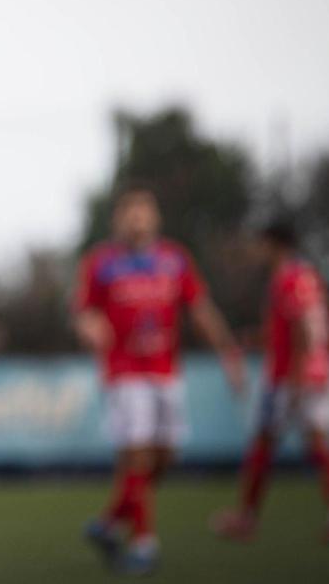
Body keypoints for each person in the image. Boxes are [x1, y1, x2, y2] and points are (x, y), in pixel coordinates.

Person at [73, 184, 245, 574]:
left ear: (155, 217)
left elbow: (199, 309)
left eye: (143, 210)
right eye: (129, 211)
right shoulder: (101, 263)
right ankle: (144, 543)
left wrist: (228, 352)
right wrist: (90, 327)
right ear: (118, 219)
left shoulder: (174, 259)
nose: (137, 218)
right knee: (137, 455)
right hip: (124, 373)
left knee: (164, 458)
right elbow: (83, 311)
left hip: (166, 371)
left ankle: (108, 522)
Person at [211, 220, 329, 542]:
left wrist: (295, 378)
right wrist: (257, 339)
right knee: (314, 443)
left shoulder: (287, 278)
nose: (256, 251)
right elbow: (302, 327)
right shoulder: (307, 275)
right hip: (314, 369)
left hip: (290, 375)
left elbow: (300, 331)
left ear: (273, 244)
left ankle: (247, 518)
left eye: (260, 244)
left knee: (268, 443)